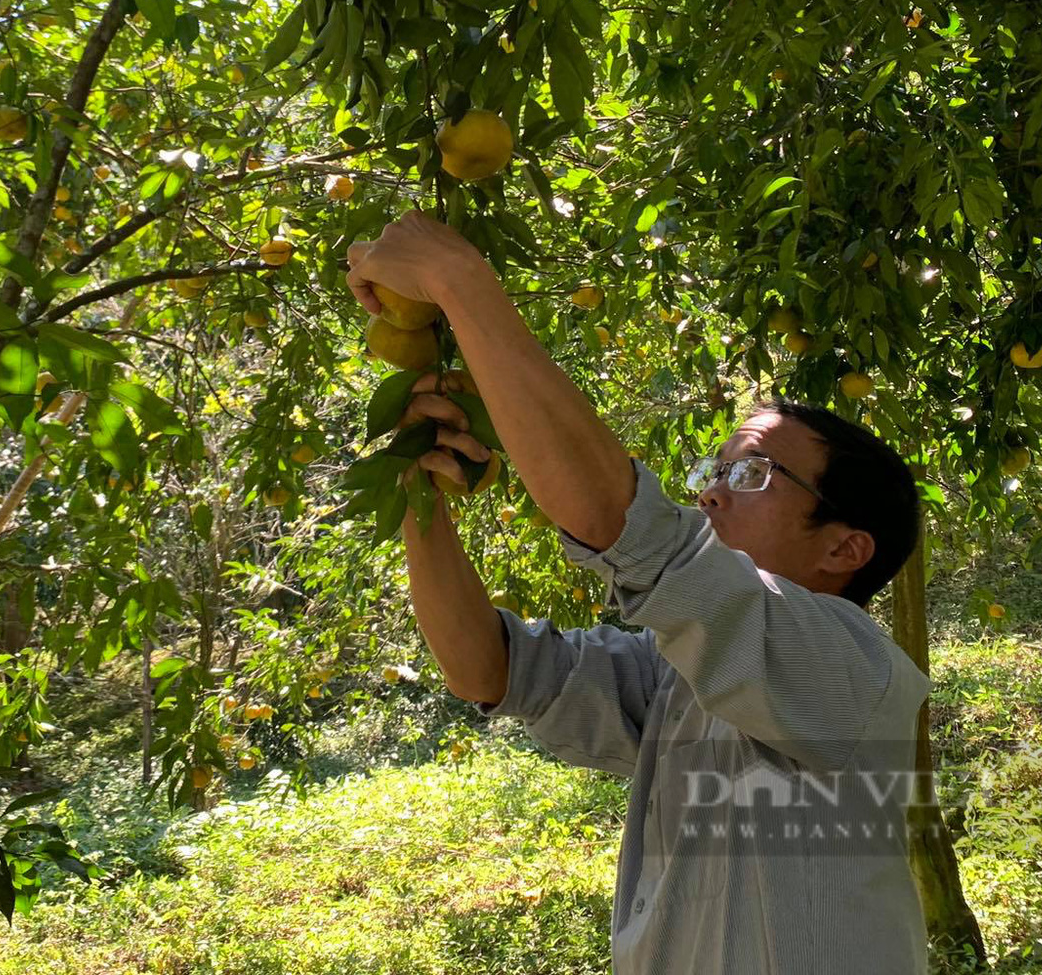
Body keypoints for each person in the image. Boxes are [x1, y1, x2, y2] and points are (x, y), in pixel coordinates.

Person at [347, 211, 930, 975]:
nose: (712, 496)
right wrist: (423, 497)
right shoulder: (682, 681)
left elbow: (622, 524)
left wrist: (460, 282)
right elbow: (486, 669)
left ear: (844, 547)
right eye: (712, 472)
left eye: (750, 474)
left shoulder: (854, 671)